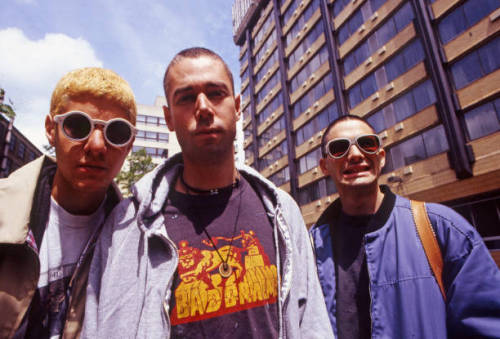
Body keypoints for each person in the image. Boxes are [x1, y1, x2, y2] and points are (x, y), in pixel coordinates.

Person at [83, 47, 334, 339]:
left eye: (216, 93)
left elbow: (313, 323)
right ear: (169, 117)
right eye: (187, 98)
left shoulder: (282, 211)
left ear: (237, 106)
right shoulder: (127, 226)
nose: (203, 107)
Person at [309, 114, 500, 338]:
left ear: (381, 157)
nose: (355, 154)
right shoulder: (310, 248)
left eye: (366, 143)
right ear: (324, 166)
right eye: (339, 148)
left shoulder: (442, 228)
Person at [0, 67, 137, 338]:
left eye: (116, 133)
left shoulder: (136, 241)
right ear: (52, 130)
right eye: (78, 126)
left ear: (129, 144)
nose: (97, 145)